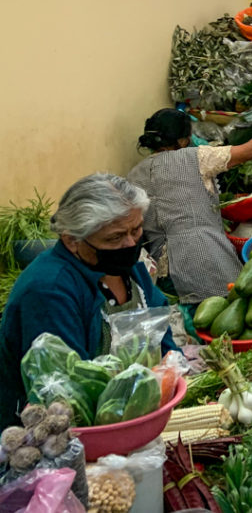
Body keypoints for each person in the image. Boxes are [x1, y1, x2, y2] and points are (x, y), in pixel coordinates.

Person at [0, 173, 178, 428]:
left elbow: (165, 343)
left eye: (136, 230)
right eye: (115, 237)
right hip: (60, 433)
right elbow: (68, 394)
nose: (130, 243)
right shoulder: (49, 291)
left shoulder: (131, 270)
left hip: (133, 415)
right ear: (72, 240)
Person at [127, 109, 252, 305]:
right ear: (184, 140)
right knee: (226, 315)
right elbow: (250, 150)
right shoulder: (195, 157)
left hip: (163, 271)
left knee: (194, 321)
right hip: (205, 260)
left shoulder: (133, 175)